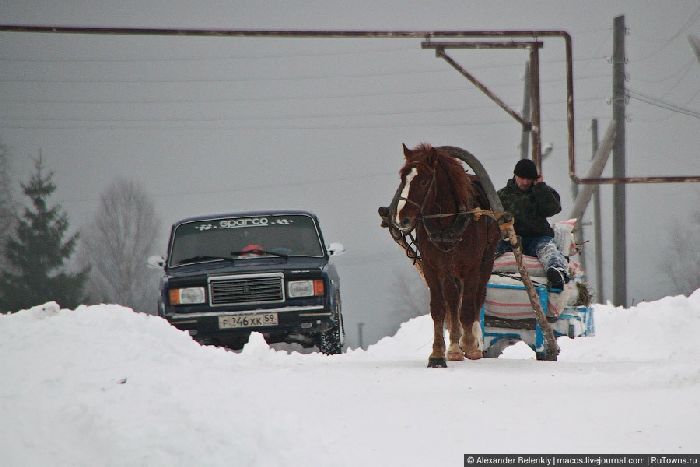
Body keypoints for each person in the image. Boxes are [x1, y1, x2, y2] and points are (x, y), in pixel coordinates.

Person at [496, 158, 570, 289]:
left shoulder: (543, 191)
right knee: (493, 250)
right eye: (522, 178)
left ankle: (556, 272)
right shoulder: (502, 195)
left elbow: (553, 209)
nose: (525, 182)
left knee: (548, 250)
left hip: (538, 237)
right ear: (515, 176)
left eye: (528, 179)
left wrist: (540, 187)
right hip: (510, 239)